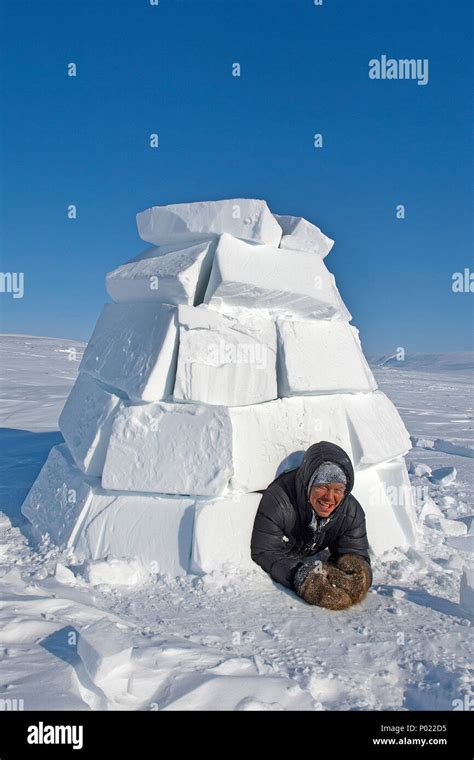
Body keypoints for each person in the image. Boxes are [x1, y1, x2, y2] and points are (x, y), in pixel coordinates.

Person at [250, 440, 372, 610]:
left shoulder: (350, 512)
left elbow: (354, 550)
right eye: (322, 486)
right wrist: (302, 577)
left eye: (338, 489)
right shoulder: (279, 501)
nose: (329, 497)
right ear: (308, 483)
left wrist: (358, 573)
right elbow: (265, 550)